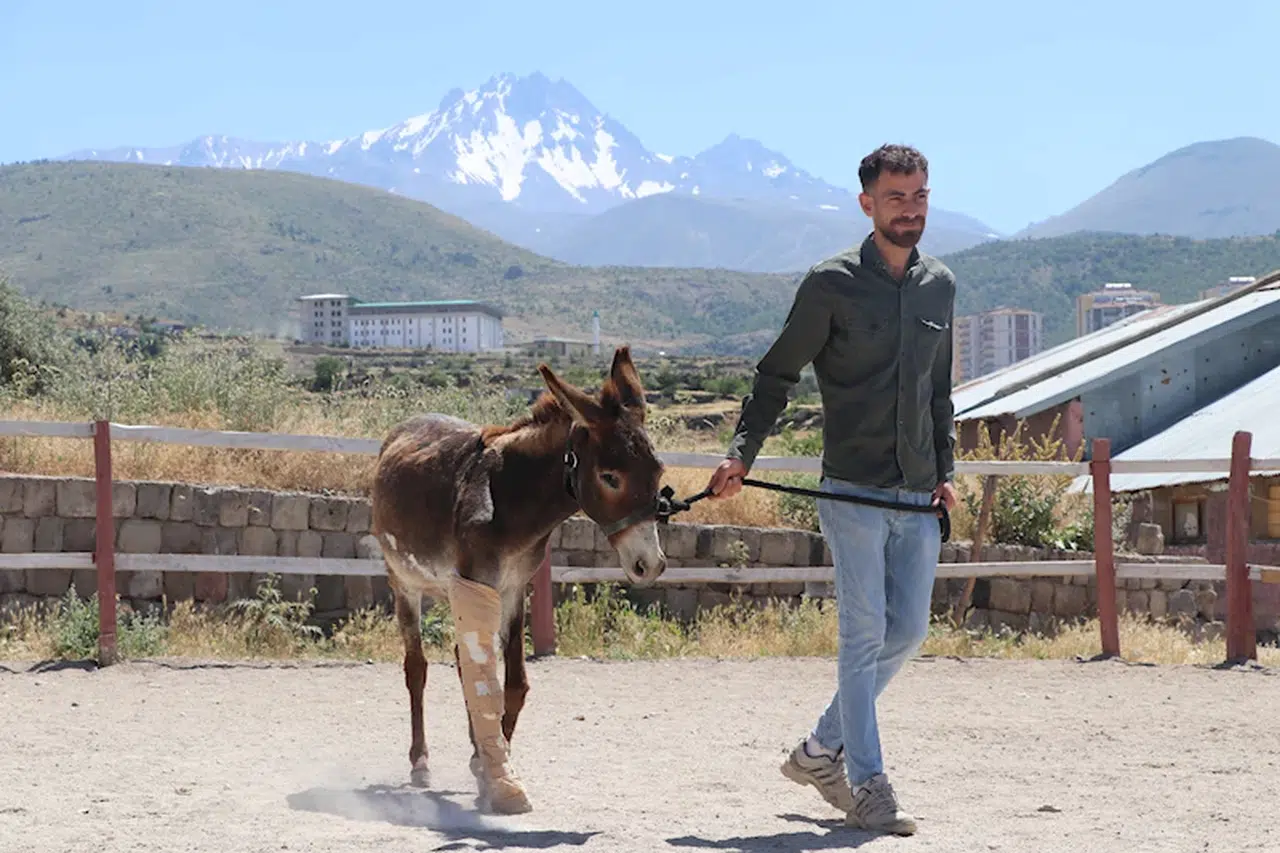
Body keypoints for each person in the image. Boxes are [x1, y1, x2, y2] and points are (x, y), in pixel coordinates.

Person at [705, 143, 957, 836]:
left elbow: (940, 393)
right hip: (851, 490)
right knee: (863, 632)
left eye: (920, 196)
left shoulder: (941, 285)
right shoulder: (830, 284)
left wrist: (947, 474)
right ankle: (870, 783)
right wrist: (739, 453)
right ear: (867, 203)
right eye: (897, 198)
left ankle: (819, 750)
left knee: (907, 632)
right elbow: (775, 375)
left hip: (917, 495)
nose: (911, 210)